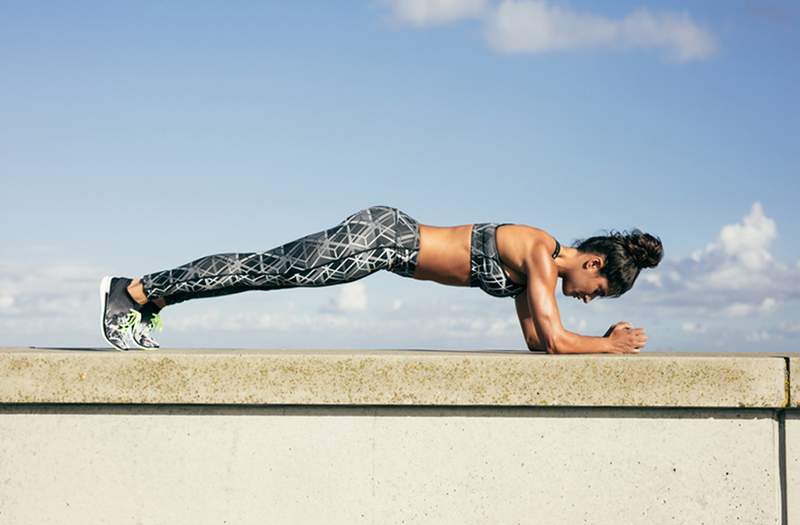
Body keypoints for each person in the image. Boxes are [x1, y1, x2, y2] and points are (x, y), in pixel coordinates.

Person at [100, 204, 662, 353]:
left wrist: (594, 345)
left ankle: (151, 297)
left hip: (382, 247)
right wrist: (609, 347)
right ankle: (135, 291)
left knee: (265, 272)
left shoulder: (531, 271)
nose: (589, 300)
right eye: (599, 291)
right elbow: (563, 342)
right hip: (383, 239)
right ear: (592, 263)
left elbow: (542, 341)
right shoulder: (539, 251)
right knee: (265, 269)